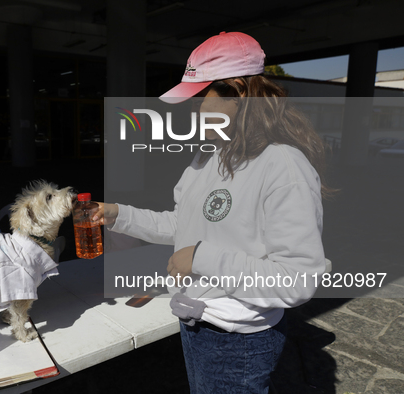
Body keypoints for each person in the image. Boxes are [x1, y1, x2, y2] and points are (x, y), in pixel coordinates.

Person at [94, 32, 332, 393]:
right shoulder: (210, 155)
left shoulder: (283, 166)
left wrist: (203, 259)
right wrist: (118, 214)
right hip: (195, 321)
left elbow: (296, 279)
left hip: (238, 341)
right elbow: (181, 224)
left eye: (199, 97)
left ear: (237, 91)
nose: (193, 109)